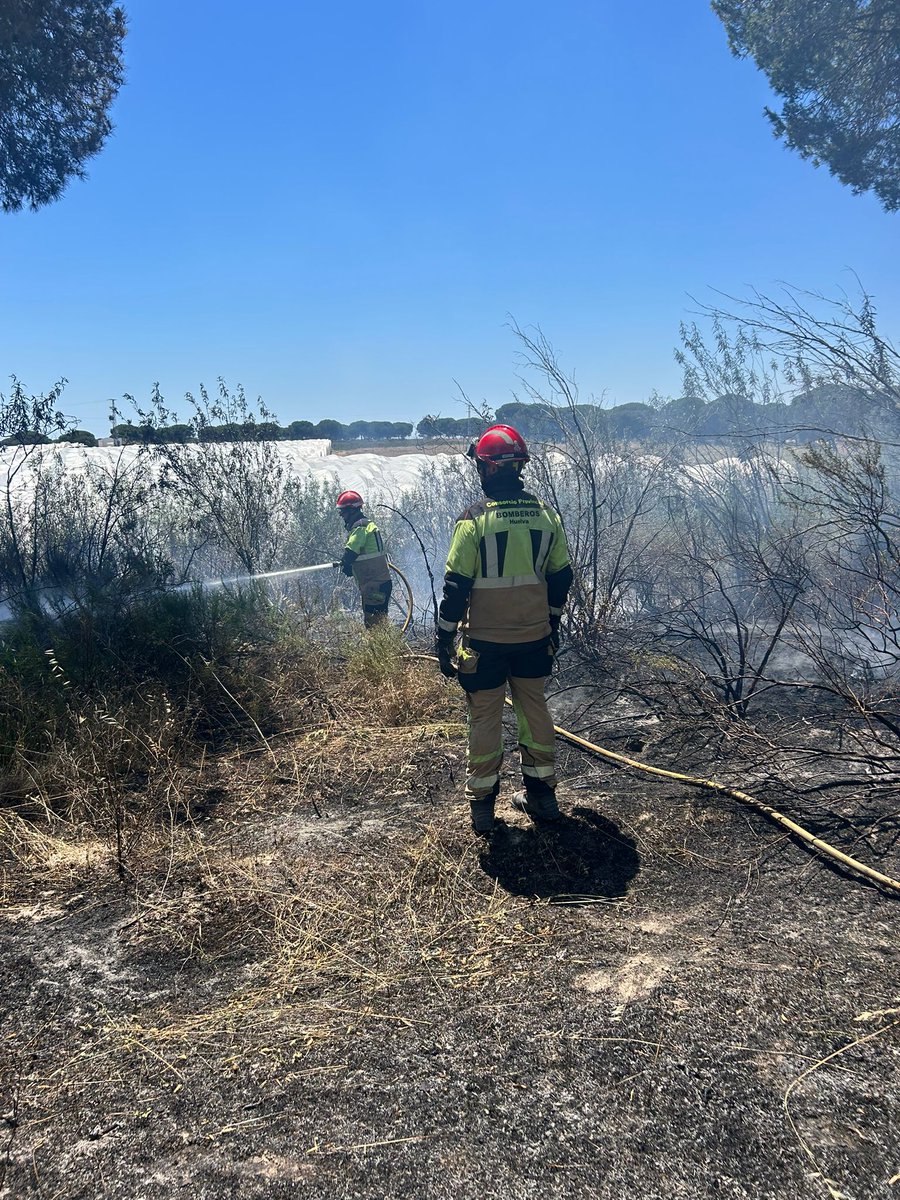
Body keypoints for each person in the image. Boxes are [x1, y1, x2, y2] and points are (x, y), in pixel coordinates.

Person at [435, 424, 574, 834]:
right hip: (533, 638)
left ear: (488, 468)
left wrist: (443, 638)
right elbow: (561, 576)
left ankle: (482, 808)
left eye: (480, 464)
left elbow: (456, 587)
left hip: (485, 644)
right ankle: (542, 798)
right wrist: (551, 620)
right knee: (535, 711)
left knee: (485, 719)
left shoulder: (473, 520)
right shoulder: (547, 515)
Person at [335, 490, 392, 628]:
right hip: (378, 585)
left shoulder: (360, 527)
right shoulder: (367, 525)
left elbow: (351, 551)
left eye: (343, 512)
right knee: (379, 621)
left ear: (352, 510)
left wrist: (346, 563)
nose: (341, 515)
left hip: (374, 586)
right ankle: (384, 647)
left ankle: (380, 649)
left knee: (374, 624)